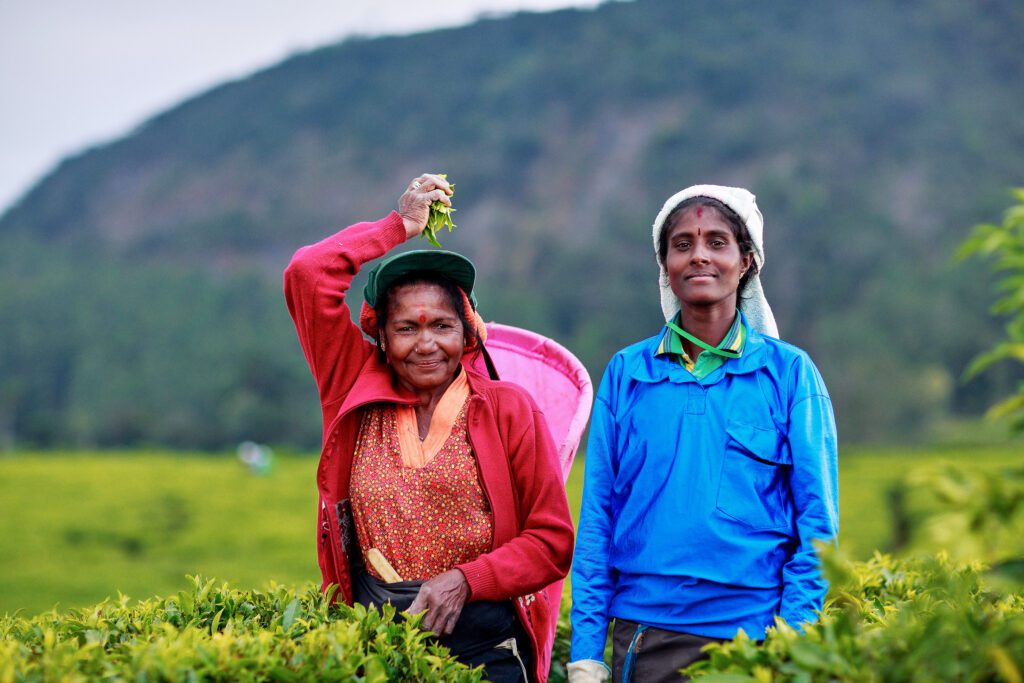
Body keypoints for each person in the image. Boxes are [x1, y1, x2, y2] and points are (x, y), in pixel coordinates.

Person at [284, 173, 574, 682]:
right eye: (406, 328)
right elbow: (308, 273)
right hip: (377, 649)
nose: (425, 344)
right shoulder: (352, 387)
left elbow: (551, 541)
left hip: (487, 647)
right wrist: (399, 226)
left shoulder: (509, 409)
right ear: (379, 335)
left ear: (468, 334)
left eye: (442, 326)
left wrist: (466, 579)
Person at [568, 184, 839, 683]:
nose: (699, 257)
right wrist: (587, 650)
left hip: (756, 637)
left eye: (717, 242)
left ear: (747, 261)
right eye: (683, 244)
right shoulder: (628, 373)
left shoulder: (789, 374)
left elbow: (818, 527)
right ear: (665, 266)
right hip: (647, 637)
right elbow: (597, 521)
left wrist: (794, 639)